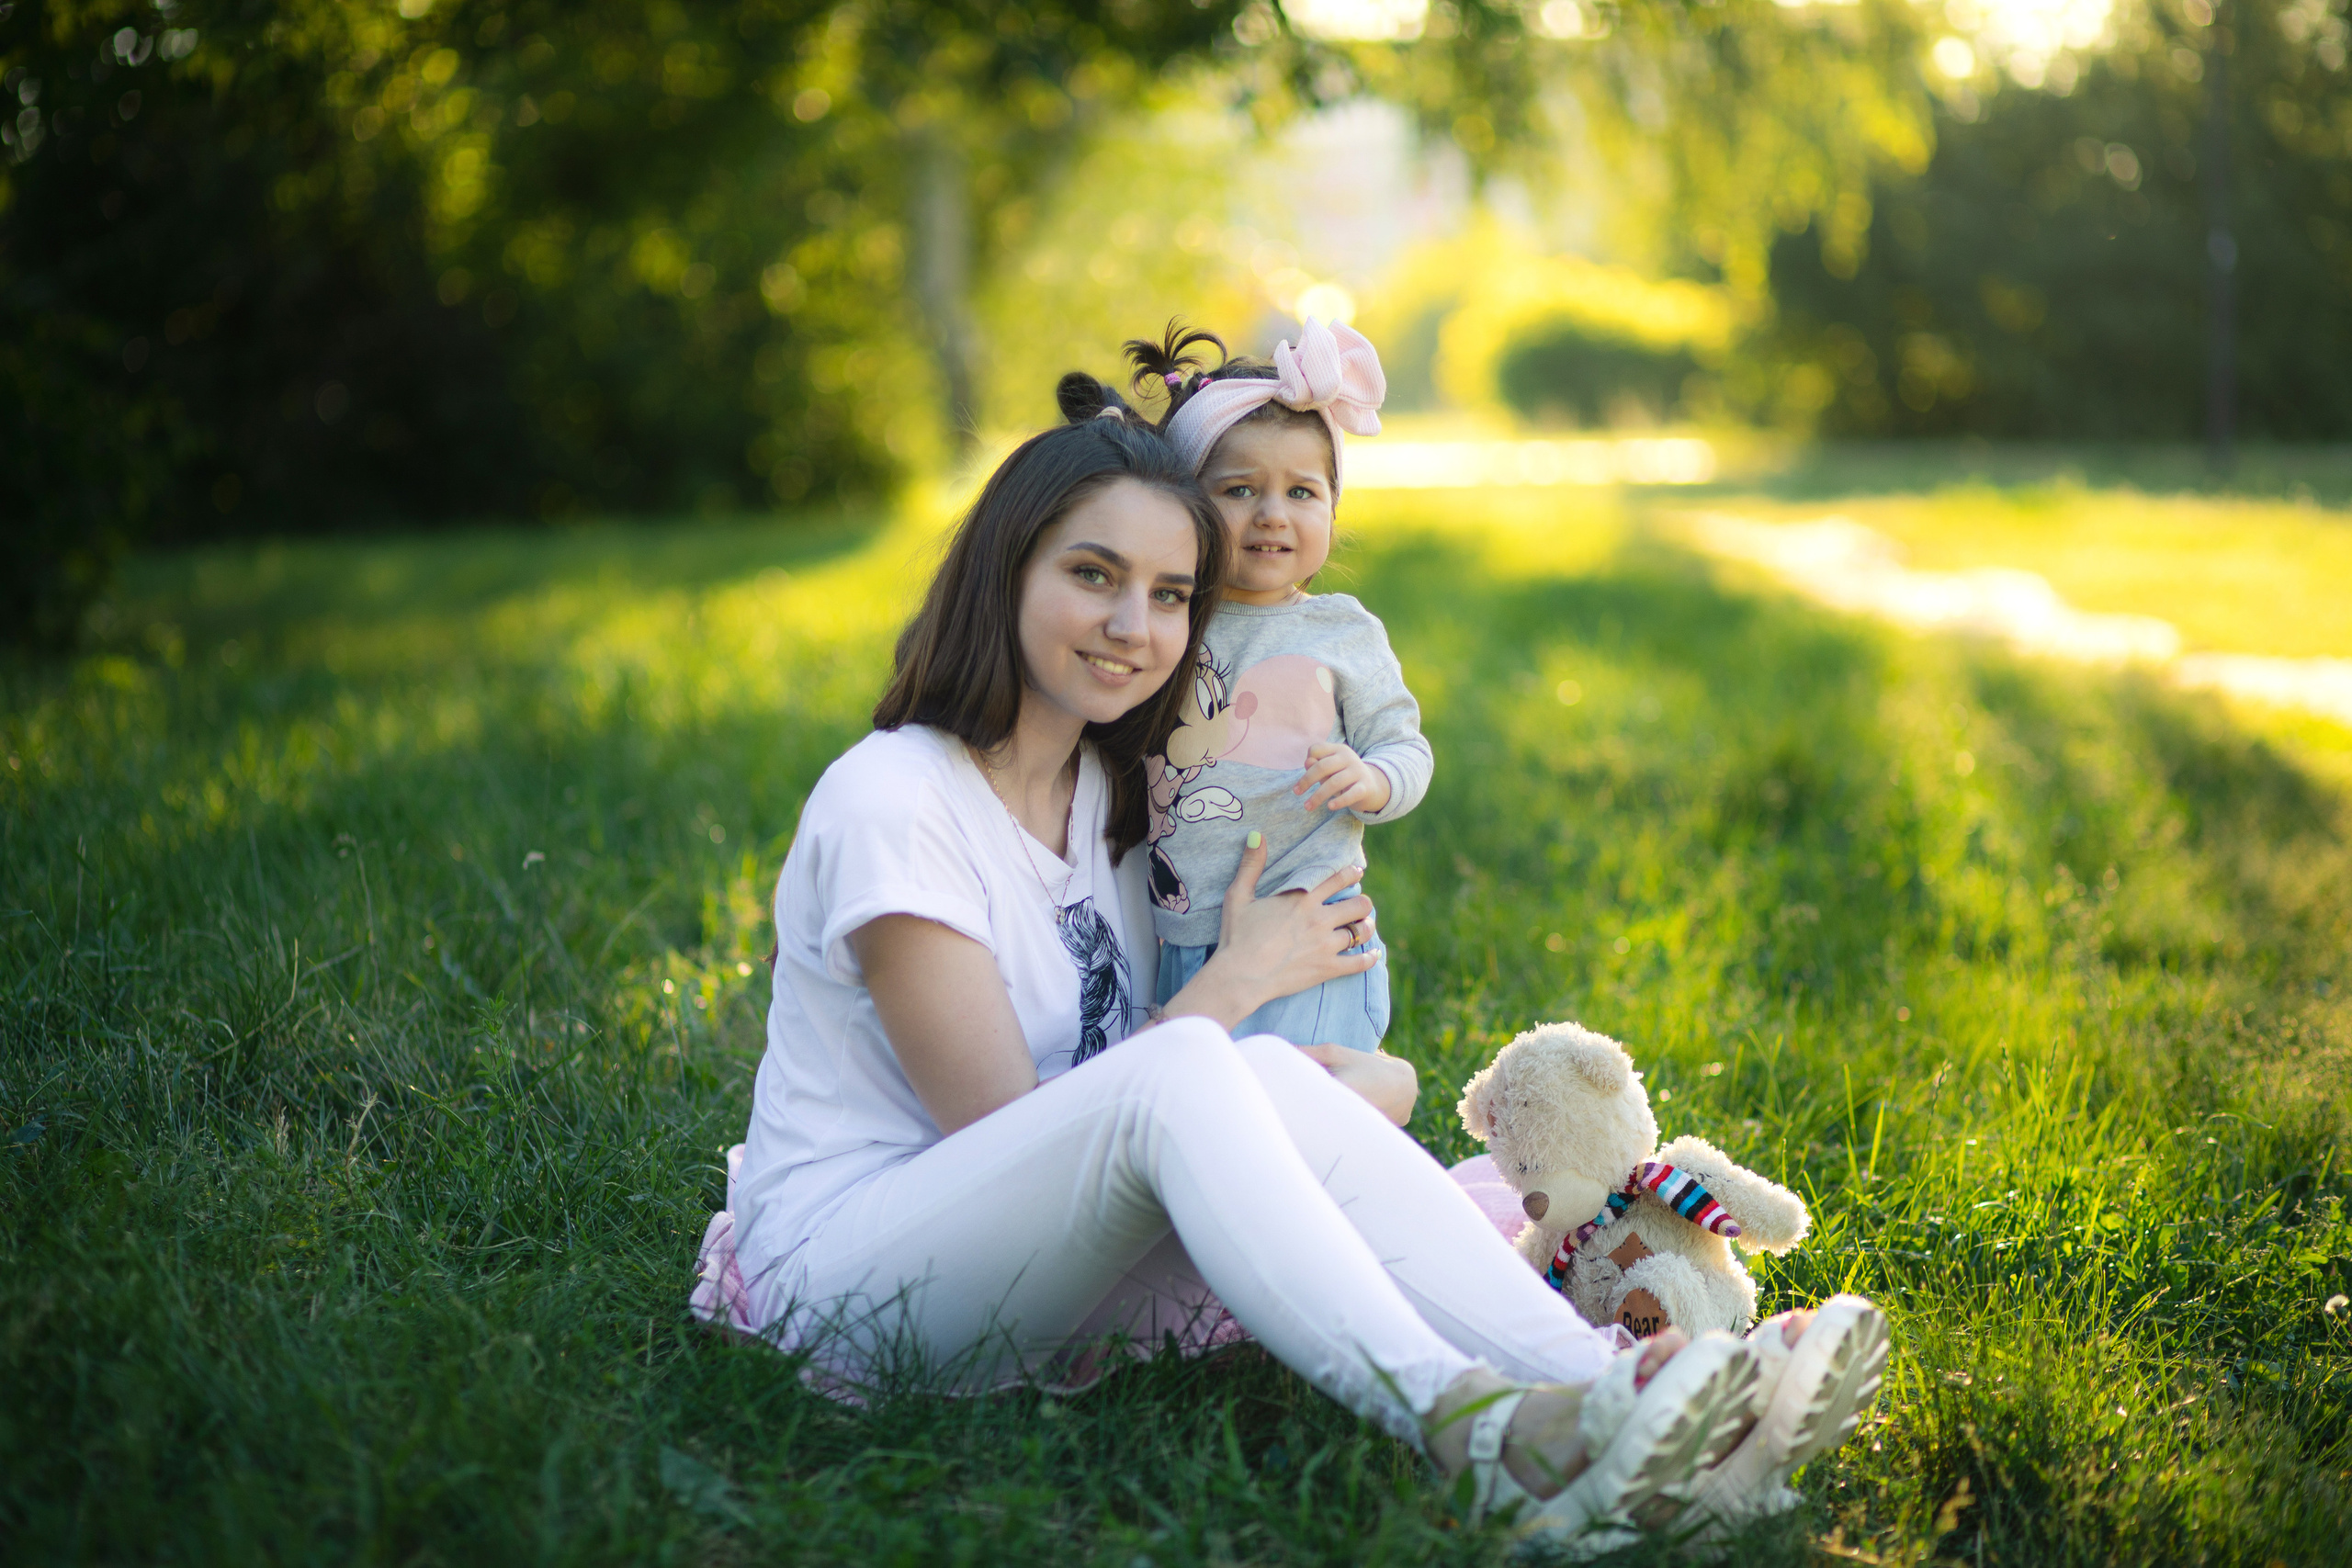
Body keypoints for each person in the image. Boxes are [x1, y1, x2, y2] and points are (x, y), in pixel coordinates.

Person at [689, 385, 1883, 1549]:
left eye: (1170, 594)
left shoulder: (1113, 796)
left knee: (1264, 1085)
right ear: (1004, 568)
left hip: (1021, 1244)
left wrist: (1304, 1087)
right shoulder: (895, 799)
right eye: (1093, 575)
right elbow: (1003, 1125)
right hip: (853, 1276)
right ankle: (1483, 1431)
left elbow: (1136, 1092)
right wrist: (1237, 984)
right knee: (1206, 1069)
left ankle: (1646, 1409)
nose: (1134, 625)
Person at [1120, 318, 1422, 1054]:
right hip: (1180, 935)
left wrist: (1373, 779)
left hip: (1311, 924)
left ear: (1332, 510)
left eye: (1302, 492)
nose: (1272, 514)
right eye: (1240, 489)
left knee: (1307, 1103)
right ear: (1190, 502)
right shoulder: (1169, 618)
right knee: (1204, 1102)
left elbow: (1405, 746)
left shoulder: (1342, 631)